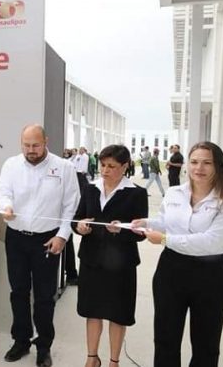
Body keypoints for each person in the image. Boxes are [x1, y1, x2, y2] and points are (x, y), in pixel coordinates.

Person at [132, 141, 223, 367]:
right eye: (194, 162)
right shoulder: (174, 193)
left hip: (209, 275)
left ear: (218, 166)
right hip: (171, 270)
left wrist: (164, 239)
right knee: (165, 339)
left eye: (207, 163)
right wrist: (145, 223)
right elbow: (166, 222)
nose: (199, 168)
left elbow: (211, 242)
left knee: (206, 345)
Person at [0, 124, 80, 366]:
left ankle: (44, 346)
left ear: (46, 142)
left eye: (35, 145)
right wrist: (5, 206)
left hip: (47, 239)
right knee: (18, 291)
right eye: (26, 145)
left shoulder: (64, 167)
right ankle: (21, 340)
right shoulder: (11, 165)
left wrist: (62, 236)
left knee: (44, 296)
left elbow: (71, 206)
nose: (31, 150)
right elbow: (3, 192)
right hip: (16, 238)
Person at [72, 145, 147, 367]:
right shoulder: (90, 189)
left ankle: (114, 361)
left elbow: (142, 232)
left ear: (125, 166)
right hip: (92, 260)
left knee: (118, 314)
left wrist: (121, 230)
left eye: (111, 166)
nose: (105, 170)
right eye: (103, 165)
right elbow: (77, 218)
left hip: (121, 264)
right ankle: (92, 357)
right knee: (92, 311)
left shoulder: (136, 193)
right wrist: (80, 227)